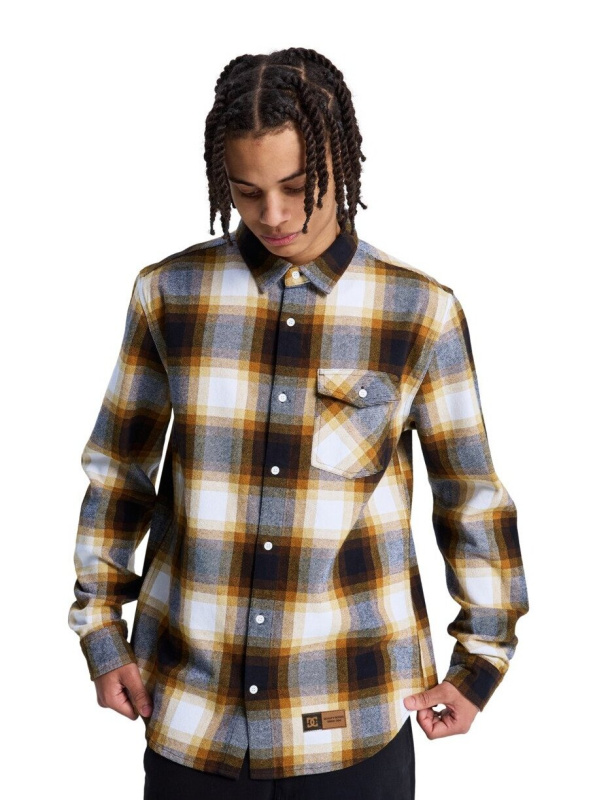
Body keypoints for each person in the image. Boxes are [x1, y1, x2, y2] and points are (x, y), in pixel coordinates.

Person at [68, 47, 529, 799]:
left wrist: (481, 661)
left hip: (355, 713)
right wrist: (100, 630)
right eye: (247, 192)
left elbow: (471, 497)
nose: (274, 216)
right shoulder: (169, 294)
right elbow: (118, 471)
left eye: (296, 187)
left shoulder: (419, 311)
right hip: (190, 714)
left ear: (340, 163)